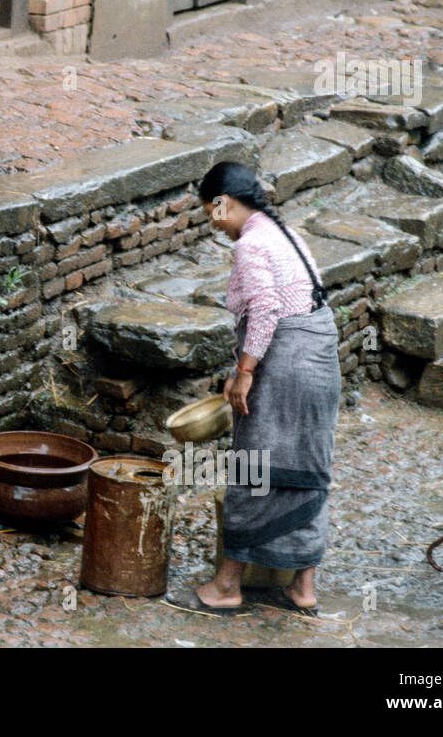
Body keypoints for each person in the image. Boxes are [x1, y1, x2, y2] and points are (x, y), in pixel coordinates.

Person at [182, 161, 341, 616]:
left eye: (210, 212)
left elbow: (268, 307)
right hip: (320, 358)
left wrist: (244, 371)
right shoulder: (283, 232)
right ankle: (303, 589)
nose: (213, 223)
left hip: (285, 362)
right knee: (308, 468)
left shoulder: (252, 242)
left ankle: (229, 585)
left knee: (254, 465)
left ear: (223, 203)